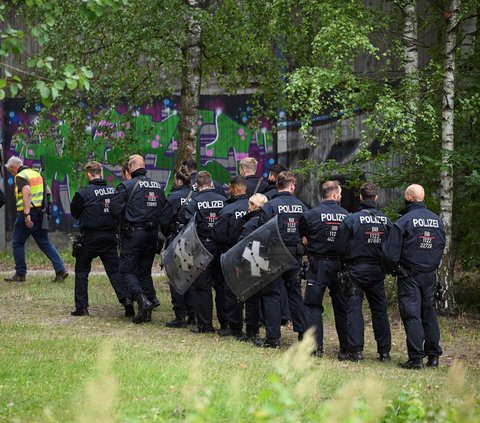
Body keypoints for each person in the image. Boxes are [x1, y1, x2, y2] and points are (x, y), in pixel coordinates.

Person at [383, 184, 446, 369]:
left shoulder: (403, 221)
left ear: (409, 197)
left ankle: (416, 358)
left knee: (412, 316)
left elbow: (389, 253)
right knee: (429, 314)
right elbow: (441, 246)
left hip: (409, 274)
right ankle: (433, 356)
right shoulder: (437, 221)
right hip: (429, 274)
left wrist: (392, 268)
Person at [110, 154, 173, 323]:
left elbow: (114, 210)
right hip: (152, 235)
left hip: (133, 235)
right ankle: (150, 304)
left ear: (131, 167)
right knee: (144, 272)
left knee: (126, 270)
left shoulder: (126, 186)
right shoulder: (157, 187)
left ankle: (142, 300)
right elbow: (165, 212)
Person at [334, 182, 392, 362]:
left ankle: (356, 351)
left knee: (354, 311)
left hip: (356, 270)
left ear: (360, 197)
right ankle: (384, 352)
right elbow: (392, 248)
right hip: (376, 271)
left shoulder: (351, 220)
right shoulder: (386, 221)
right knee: (380, 311)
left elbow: (339, 246)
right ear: (376, 198)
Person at [69, 161, 133, 317]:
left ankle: (81, 307)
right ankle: (127, 301)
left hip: (89, 238)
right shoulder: (113, 191)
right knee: (114, 271)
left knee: (82, 271)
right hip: (109, 237)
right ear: (101, 173)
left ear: (88, 175)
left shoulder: (83, 194)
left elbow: (75, 213)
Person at [255, 171, 308, 348]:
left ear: (277, 185)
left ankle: (273, 339)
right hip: (294, 256)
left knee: (271, 295)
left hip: (275, 255)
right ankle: (303, 335)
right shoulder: (301, 206)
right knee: (295, 294)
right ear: (291, 185)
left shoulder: (270, 206)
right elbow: (307, 231)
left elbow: (262, 232)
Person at [299, 180, 349, 358]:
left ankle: (315, 348)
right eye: (340, 194)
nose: (341, 197)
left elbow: (302, 234)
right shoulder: (347, 216)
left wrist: (309, 240)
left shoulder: (310, 215)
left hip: (318, 265)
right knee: (342, 307)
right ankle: (346, 348)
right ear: (335, 195)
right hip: (340, 266)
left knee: (312, 306)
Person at [4, 156, 69, 283]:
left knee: (17, 242)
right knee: (44, 242)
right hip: (40, 214)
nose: (12, 174)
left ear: (13, 167)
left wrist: (27, 214)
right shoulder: (36, 174)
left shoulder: (20, 176)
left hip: (26, 214)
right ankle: (61, 270)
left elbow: (27, 192)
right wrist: (45, 210)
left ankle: (20, 274)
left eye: (11, 171)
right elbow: (48, 192)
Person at [180, 170, 226, 333]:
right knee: (222, 286)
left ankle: (205, 324)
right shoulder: (223, 200)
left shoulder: (194, 202)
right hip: (221, 247)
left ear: (197, 186)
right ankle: (225, 324)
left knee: (203, 287)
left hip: (203, 246)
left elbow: (187, 224)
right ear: (211, 183)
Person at [213, 175, 249, 338]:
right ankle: (253, 326)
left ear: (234, 189)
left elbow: (218, 235)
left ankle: (233, 326)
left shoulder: (227, 210)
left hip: (231, 253)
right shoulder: (255, 207)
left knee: (229, 290)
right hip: (251, 253)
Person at [235, 193, 269, 342]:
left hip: (252, 262)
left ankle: (251, 330)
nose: (247, 207)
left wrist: (238, 264)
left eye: (249, 204)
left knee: (252, 299)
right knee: (268, 298)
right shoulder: (269, 221)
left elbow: (242, 245)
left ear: (254, 206)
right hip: (267, 262)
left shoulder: (250, 223)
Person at [164, 170, 196, 328]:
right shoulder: (196, 195)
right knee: (191, 275)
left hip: (177, 239)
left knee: (175, 276)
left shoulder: (173, 197)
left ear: (177, 180)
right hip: (193, 239)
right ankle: (193, 313)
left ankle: (180, 315)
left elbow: (164, 220)